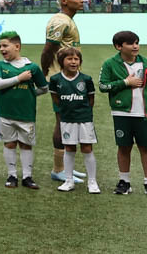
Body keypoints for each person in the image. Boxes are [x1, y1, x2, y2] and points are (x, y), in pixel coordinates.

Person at [98, 30, 147, 197]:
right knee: (124, 147)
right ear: (119, 46)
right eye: (131, 43)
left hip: (144, 114)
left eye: (137, 42)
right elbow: (103, 86)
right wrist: (126, 82)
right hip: (122, 113)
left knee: (146, 147)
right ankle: (124, 181)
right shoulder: (110, 64)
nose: (135, 46)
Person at [41, 0, 85, 183]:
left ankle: (66, 167)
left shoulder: (67, 20)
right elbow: (48, 50)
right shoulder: (59, 21)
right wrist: (44, 75)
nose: (81, 0)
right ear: (64, 1)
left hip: (70, 78)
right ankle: (58, 169)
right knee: (62, 121)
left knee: (69, 122)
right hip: (61, 80)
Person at [0, 30, 46, 190]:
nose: (2, 49)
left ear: (17, 46)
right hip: (5, 114)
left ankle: (28, 177)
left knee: (26, 145)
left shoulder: (32, 67)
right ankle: (12, 175)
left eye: (5, 45)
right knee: (9, 144)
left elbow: (44, 88)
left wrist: (30, 93)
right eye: (0, 46)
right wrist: (19, 79)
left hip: (26, 114)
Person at [50, 46, 99, 193]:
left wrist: (83, 112)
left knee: (87, 148)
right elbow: (56, 98)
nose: (73, 62)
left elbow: (91, 99)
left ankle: (92, 182)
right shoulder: (55, 80)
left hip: (84, 119)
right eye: (69, 59)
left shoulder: (86, 79)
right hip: (67, 119)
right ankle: (68, 180)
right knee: (69, 148)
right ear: (61, 61)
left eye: (76, 59)